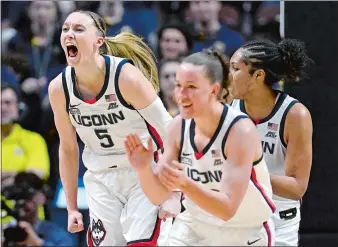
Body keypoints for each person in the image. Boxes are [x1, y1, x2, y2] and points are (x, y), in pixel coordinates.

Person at [48, 10, 180, 246]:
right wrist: (71, 208)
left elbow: (169, 133)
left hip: (143, 172)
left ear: (99, 41)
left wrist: (174, 193)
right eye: (65, 29)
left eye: (79, 29)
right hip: (100, 177)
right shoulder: (59, 88)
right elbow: (68, 149)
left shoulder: (125, 77)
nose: (69, 34)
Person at [125, 49, 276, 246]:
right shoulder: (178, 127)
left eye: (191, 87)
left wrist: (185, 184)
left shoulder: (240, 131)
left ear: (213, 91)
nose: (181, 94)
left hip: (243, 229)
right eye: (178, 86)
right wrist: (143, 169)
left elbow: (227, 209)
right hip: (194, 226)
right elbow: (160, 195)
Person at [229, 39, 313, 246]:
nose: (228, 76)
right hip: (240, 213)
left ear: (258, 75)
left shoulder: (295, 114)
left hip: (278, 217)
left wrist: (248, 173)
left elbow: (297, 188)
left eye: (235, 69)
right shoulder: (231, 106)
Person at [1, 172, 75, 247]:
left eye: (28, 196)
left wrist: (38, 243)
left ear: (41, 197)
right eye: (16, 196)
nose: (22, 201)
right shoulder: (5, 230)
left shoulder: (54, 233)